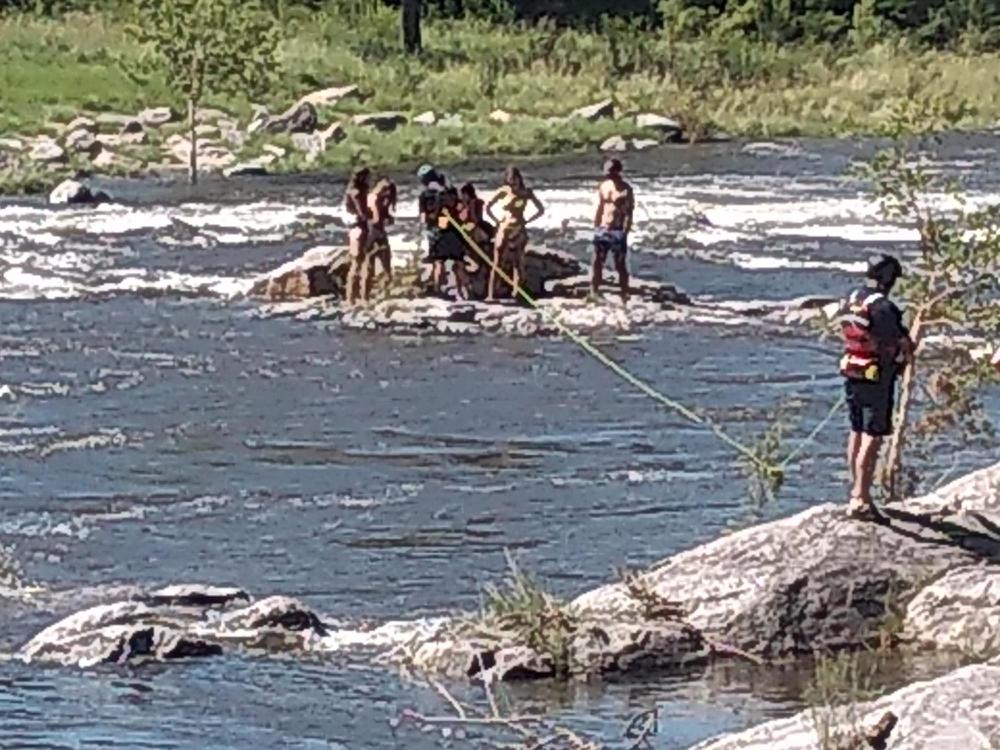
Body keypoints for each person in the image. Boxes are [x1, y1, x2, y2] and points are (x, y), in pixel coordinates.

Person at [840, 254, 913, 522]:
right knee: (873, 434)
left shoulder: (852, 297)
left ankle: (856, 491)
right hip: (876, 376)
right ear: (888, 279)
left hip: (853, 370)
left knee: (857, 429)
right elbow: (899, 341)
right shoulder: (883, 307)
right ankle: (861, 498)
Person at [485, 166, 544, 301]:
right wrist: (497, 221)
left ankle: (517, 293)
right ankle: (491, 294)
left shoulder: (526, 192)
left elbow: (540, 210)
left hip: (519, 227)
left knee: (518, 262)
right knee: (498, 261)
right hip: (505, 227)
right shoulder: (503, 191)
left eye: (515, 179)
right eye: (510, 179)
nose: (513, 182)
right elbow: (488, 207)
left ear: (519, 178)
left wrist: (528, 221)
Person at [417, 164, 468, 299]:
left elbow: (423, 217)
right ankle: (462, 292)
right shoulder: (450, 190)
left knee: (439, 262)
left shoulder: (425, 195)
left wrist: (426, 226)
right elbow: (460, 206)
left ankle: (438, 291)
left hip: (437, 231)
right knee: (458, 261)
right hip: (454, 229)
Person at [591, 158, 635, 303]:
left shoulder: (626, 189)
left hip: (617, 229)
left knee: (619, 264)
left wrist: (625, 232)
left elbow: (629, 212)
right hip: (602, 228)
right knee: (597, 262)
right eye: (606, 170)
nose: (607, 173)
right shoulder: (604, 186)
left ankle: (624, 294)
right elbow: (600, 206)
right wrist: (596, 225)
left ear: (617, 171)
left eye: (609, 170)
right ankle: (594, 291)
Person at [362, 176, 397, 299]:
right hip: (374, 232)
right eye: (385, 190)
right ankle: (368, 295)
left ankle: (370, 295)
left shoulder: (378, 198)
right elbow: (377, 219)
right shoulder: (374, 198)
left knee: (377, 264)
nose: (386, 194)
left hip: (375, 231)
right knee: (375, 265)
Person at [343, 166, 371, 305]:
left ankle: (351, 298)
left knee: (357, 262)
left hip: (353, 228)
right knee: (360, 262)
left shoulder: (351, 190)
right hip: (359, 228)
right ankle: (358, 297)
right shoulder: (357, 193)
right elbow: (363, 213)